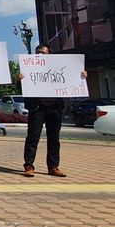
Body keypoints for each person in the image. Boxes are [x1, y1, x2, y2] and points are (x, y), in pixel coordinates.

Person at [20, 44, 86, 178]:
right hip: (37, 108)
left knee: (54, 139)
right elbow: (24, 87)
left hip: (55, 108)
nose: (40, 55)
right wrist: (21, 79)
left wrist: (82, 75)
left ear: (50, 55)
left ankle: (53, 166)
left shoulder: (59, 67)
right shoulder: (29, 68)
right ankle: (29, 166)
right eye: (38, 52)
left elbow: (72, 77)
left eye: (43, 53)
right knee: (33, 138)